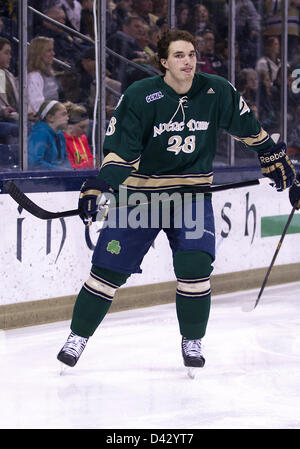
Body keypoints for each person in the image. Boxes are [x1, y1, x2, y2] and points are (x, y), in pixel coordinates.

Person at [57, 29, 296, 372]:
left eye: (192, 54)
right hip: (140, 198)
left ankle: (192, 340)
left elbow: (248, 127)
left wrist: (271, 153)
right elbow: (120, 154)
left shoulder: (215, 90)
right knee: (106, 271)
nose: (189, 61)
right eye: (180, 55)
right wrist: (98, 185)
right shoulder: (140, 95)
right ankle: (77, 337)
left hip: (190, 197)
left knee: (196, 266)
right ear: (164, 62)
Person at [28, 99, 71, 170]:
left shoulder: (60, 134)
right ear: (50, 117)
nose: (68, 118)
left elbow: (65, 158)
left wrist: (71, 172)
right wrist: (62, 171)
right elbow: (34, 163)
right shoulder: (39, 134)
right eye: (64, 114)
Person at [27, 36, 61, 117]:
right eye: (49, 50)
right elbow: (37, 108)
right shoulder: (34, 76)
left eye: (53, 50)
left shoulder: (47, 74)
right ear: (38, 54)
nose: (53, 53)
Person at [63, 101, 93, 169]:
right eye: (81, 127)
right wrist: (87, 165)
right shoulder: (62, 140)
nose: (85, 131)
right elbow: (70, 168)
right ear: (69, 126)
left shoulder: (83, 138)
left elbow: (90, 160)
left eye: (86, 127)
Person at [0, 37, 19, 144]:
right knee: (19, 129)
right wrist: (2, 112)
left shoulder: (8, 75)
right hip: (3, 120)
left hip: (12, 118)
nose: (10, 57)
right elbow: (4, 107)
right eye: (6, 53)